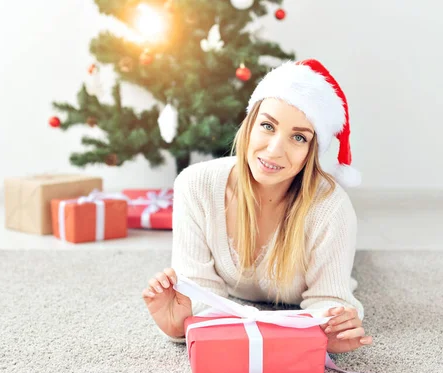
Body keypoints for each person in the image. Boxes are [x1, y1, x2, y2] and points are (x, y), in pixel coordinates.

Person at [142, 59, 373, 354]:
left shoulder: (331, 207)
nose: (275, 149)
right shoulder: (195, 185)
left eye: (299, 137)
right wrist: (182, 323)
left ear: (310, 152)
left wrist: (333, 326)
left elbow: (330, 299)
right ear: (249, 125)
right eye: (267, 126)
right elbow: (198, 288)